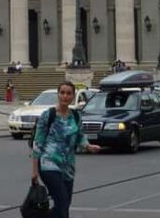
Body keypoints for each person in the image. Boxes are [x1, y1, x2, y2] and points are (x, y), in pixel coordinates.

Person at [30, 81, 101, 218]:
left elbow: (80, 136)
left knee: (63, 206)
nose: (65, 96)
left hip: (68, 166)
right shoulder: (48, 115)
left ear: (73, 96)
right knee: (62, 201)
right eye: (62, 93)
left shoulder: (76, 116)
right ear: (58, 94)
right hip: (49, 164)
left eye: (68, 93)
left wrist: (88, 146)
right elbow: (37, 143)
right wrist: (34, 171)